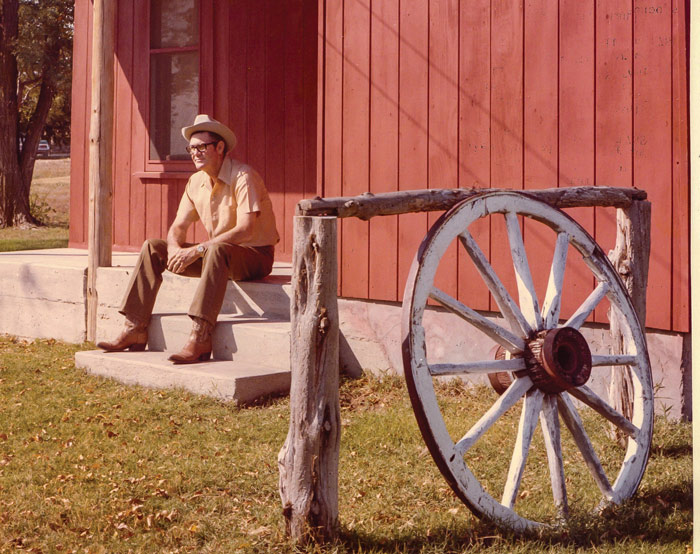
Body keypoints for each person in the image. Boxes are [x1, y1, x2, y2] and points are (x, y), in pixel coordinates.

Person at [97, 114, 280, 364]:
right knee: (154, 247)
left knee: (216, 249)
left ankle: (200, 336)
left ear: (220, 147)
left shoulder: (243, 176)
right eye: (191, 148)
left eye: (201, 147)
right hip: (219, 255)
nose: (195, 153)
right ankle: (135, 328)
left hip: (254, 256)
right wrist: (174, 248)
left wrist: (196, 251)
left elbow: (246, 229)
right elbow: (178, 227)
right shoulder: (196, 182)